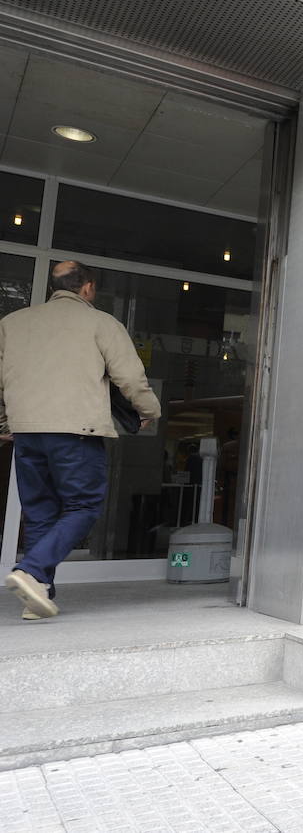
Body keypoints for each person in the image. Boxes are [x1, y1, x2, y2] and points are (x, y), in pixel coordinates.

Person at [1, 262, 160, 620]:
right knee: (83, 506)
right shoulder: (101, 323)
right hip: (76, 431)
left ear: (53, 287)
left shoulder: (12, 324)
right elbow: (131, 379)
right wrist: (150, 410)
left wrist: (4, 422)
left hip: (26, 429)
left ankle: (37, 595)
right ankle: (31, 570)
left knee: (41, 511)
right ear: (87, 288)